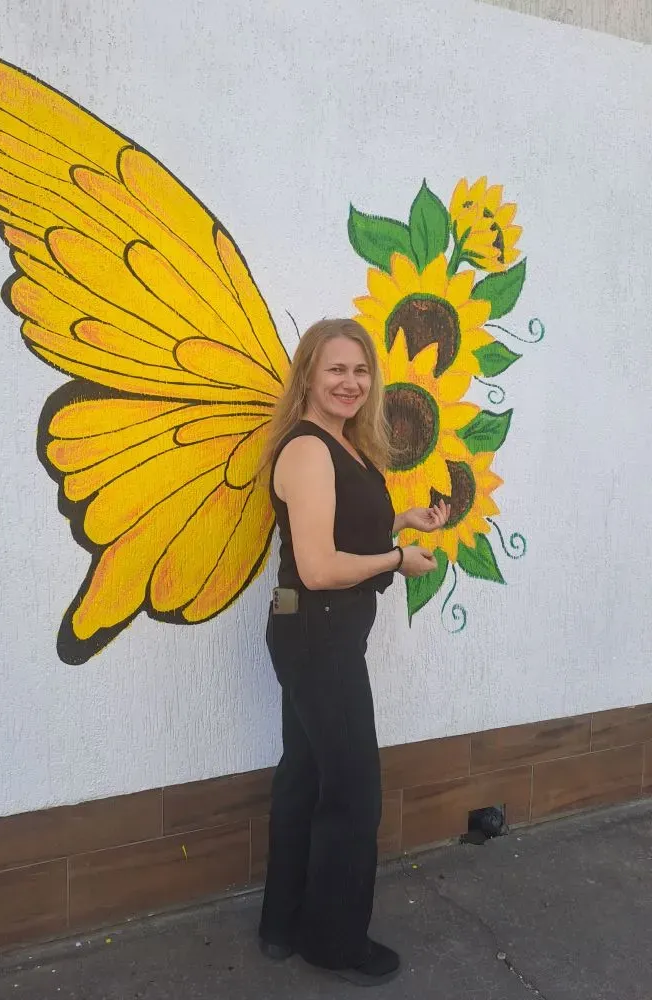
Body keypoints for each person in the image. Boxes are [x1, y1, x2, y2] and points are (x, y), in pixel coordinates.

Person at [257, 317, 450, 987]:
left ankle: (282, 924)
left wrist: (399, 521)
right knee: (353, 790)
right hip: (319, 631)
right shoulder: (309, 449)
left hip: (317, 631)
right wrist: (397, 559)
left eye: (361, 370)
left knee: (307, 775)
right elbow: (317, 567)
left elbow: (339, 526)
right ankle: (334, 945)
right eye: (336, 368)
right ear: (309, 374)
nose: (350, 382)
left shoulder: (342, 444)